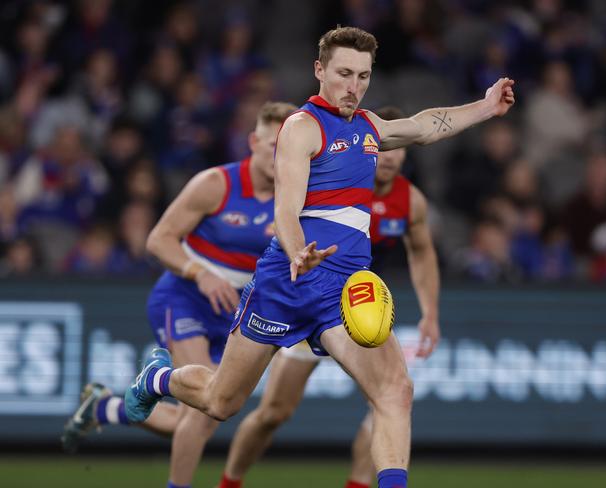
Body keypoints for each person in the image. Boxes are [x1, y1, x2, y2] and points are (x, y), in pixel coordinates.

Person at [124, 26, 514, 488]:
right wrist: (296, 251)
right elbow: (285, 207)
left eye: (363, 76)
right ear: (320, 70)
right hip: (285, 282)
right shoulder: (301, 128)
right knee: (219, 402)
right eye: (344, 74)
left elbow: (425, 125)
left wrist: (486, 107)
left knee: (396, 391)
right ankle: (158, 379)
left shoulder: (369, 127)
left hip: (344, 287)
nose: (354, 86)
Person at [61, 101, 297, 488]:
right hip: (185, 296)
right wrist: (200, 273)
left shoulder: (294, 197)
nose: (278, 155)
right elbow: (158, 240)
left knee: (210, 408)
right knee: (202, 414)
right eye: (271, 144)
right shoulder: (215, 185)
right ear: (253, 141)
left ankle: (106, 408)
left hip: (238, 312)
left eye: (286, 147)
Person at [217, 105, 441, 488]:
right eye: (382, 150)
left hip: (359, 304)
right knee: (271, 411)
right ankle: (231, 480)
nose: (388, 159)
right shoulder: (337, 174)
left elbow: (421, 252)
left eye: (396, 151)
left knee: (388, 398)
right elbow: (285, 208)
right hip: (304, 292)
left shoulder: (410, 201)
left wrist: (430, 312)